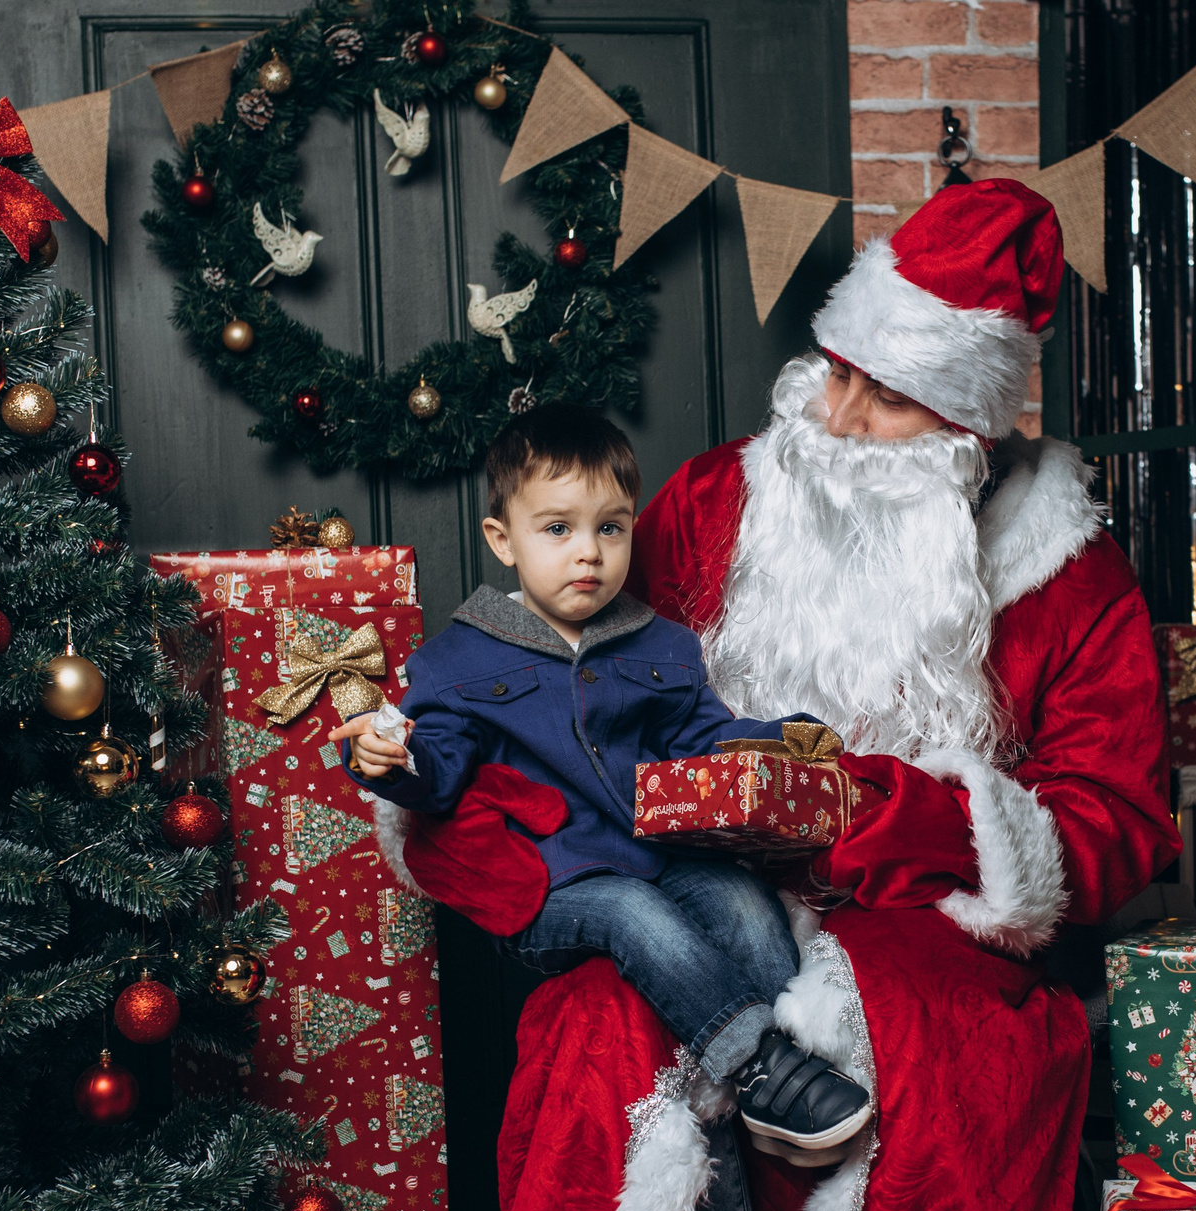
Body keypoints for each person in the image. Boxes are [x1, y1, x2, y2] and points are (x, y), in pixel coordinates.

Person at [388, 180, 1177, 1211]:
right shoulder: (715, 500)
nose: (843, 415)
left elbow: (1120, 823)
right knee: (596, 1021)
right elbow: (570, 657)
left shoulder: (1065, 573)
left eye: (891, 396)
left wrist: (909, 809)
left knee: (931, 1061)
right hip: (696, 881)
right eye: (841, 370)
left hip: (933, 916)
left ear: (974, 424)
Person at [343, 403, 873, 1153]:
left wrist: (776, 740)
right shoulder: (459, 662)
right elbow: (440, 767)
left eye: (610, 528)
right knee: (627, 911)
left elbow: (702, 739)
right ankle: (760, 1068)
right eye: (557, 530)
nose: (587, 552)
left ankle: (802, 1064)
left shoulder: (663, 646)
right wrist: (391, 761)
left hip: (661, 855)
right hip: (546, 887)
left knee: (744, 902)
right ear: (504, 540)